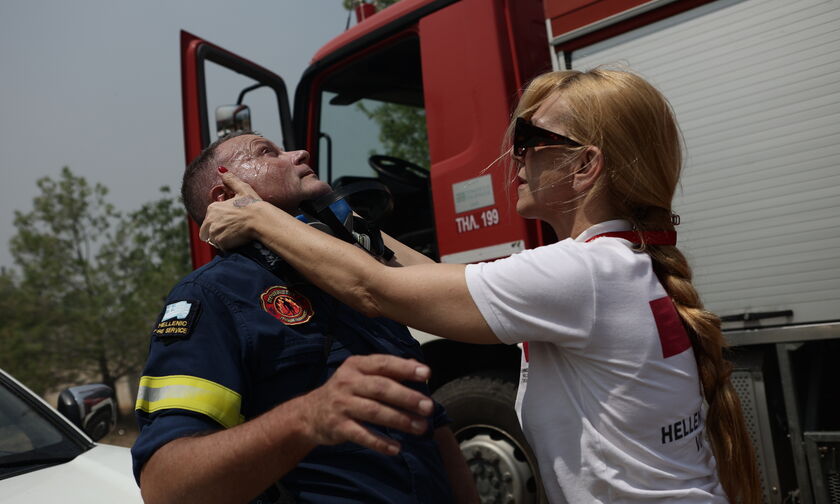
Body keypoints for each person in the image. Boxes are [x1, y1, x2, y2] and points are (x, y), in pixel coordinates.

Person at [200, 69, 762, 503]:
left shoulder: (580, 275)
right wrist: (341, 220)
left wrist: (256, 217)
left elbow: (375, 291)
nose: (512, 156)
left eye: (528, 137)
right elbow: (430, 282)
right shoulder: (618, 262)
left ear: (586, 165)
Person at [131, 132, 478, 504]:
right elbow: (165, 486)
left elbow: (429, 421)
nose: (301, 152)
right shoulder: (210, 296)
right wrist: (308, 418)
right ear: (226, 196)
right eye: (267, 152)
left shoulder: (352, 279)